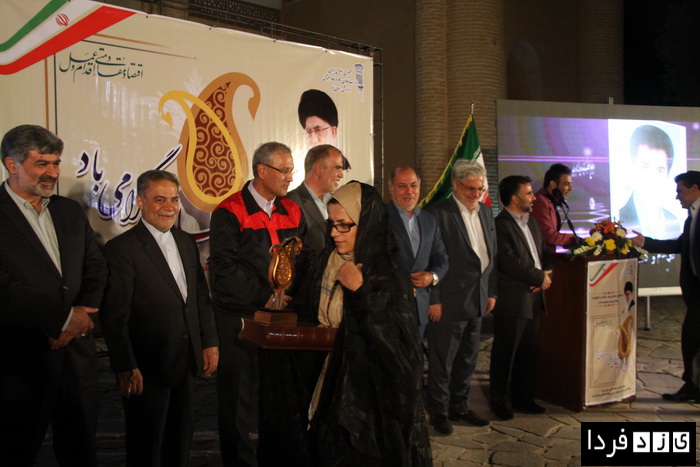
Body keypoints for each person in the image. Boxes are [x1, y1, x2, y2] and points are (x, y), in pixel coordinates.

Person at [0, 124, 107, 465]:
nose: (53, 173)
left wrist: (80, 315)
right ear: (12, 164)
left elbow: (96, 267)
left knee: (81, 453)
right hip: (21, 363)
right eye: (42, 164)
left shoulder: (68, 211)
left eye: (56, 163)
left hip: (77, 360)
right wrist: (61, 319)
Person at [306, 181, 432, 465]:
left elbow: (400, 348)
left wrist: (360, 292)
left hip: (373, 403)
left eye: (344, 225)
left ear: (366, 223)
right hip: (331, 384)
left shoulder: (386, 270)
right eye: (332, 225)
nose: (334, 233)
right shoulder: (329, 261)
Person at [100, 170, 219, 466]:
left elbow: (200, 299)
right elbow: (115, 315)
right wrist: (125, 364)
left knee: (179, 444)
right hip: (146, 367)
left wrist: (209, 342)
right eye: (160, 199)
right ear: (140, 201)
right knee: (146, 448)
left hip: (187, 361)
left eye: (174, 200)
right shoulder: (121, 249)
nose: (169, 207)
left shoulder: (186, 242)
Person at [209, 142, 308, 466]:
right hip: (240, 318)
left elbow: (304, 260)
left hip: (282, 319)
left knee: (277, 398)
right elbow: (223, 268)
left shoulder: (292, 210)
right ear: (262, 171)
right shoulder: (230, 210)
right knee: (238, 402)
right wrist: (263, 296)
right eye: (285, 170)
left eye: (292, 170)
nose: (290, 177)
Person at [425, 160, 497, 434]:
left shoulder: (486, 212)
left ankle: (461, 406)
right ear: (455, 185)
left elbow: (491, 254)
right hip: (448, 300)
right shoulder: (437, 214)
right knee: (442, 361)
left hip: (478, 298)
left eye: (480, 189)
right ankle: (439, 411)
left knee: (467, 359)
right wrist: (434, 298)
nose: (476, 194)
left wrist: (491, 291)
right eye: (470, 188)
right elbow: (430, 260)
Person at [632, 170, 700, 402]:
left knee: (692, 336)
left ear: (695, 189)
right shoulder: (692, 216)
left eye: (680, 191)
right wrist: (645, 242)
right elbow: (680, 245)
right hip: (696, 288)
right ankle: (693, 386)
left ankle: (693, 386)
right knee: (692, 338)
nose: (677, 196)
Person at [490, 175, 552, 421]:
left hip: (534, 297)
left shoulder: (532, 223)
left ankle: (523, 399)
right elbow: (508, 261)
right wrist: (538, 277)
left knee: (528, 353)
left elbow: (543, 253)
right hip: (513, 299)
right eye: (528, 193)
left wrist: (547, 272)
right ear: (515, 198)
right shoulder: (499, 225)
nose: (534, 197)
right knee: (506, 354)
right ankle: (499, 402)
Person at [387, 166, 449, 338]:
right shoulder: (380, 218)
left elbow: (441, 258)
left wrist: (432, 277)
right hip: (389, 309)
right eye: (402, 186)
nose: (409, 191)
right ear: (391, 188)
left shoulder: (430, 220)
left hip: (420, 309)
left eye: (413, 185)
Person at [620, 124, 681, 239]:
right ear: (633, 166)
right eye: (645, 167)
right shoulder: (618, 217)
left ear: (667, 174)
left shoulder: (673, 221)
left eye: (659, 170)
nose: (651, 177)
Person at [287, 144, 345, 256]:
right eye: (337, 168)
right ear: (319, 169)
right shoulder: (290, 203)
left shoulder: (339, 202)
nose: (341, 175)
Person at [298, 89, 351, 170]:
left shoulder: (342, 169)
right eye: (309, 131)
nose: (313, 140)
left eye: (318, 130)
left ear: (333, 132)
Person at [531, 163, 576, 252]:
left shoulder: (549, 201)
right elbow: (548, 235)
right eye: (567, 184)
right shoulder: (539, 201)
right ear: (553, 184)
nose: (571, 188)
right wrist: (575, 240)